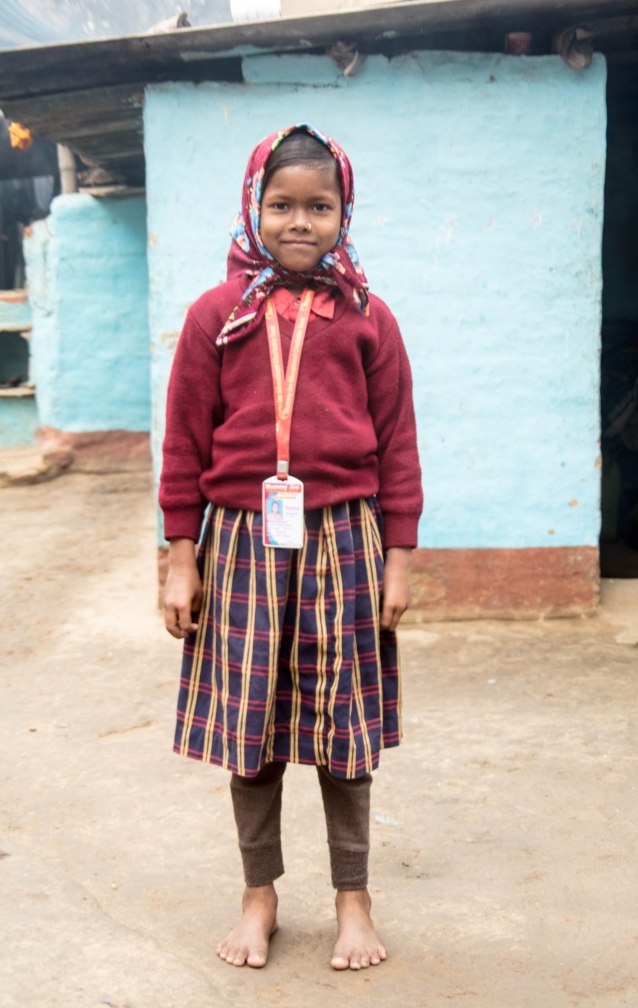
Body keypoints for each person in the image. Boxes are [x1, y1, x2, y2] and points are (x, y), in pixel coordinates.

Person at [159, 123, 423, 972]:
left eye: (320, 205)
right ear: (253, 207)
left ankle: (354, 899)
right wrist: (179, 553)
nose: (299, 222)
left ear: (346, 213)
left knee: (344, 734)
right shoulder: (216, 316)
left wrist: (401, 554)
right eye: (281, 205)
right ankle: (259, 894)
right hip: (239, 544)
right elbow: (183, 445)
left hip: (344, 538)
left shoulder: (368, 318)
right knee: (253, 732)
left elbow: (399, 444)